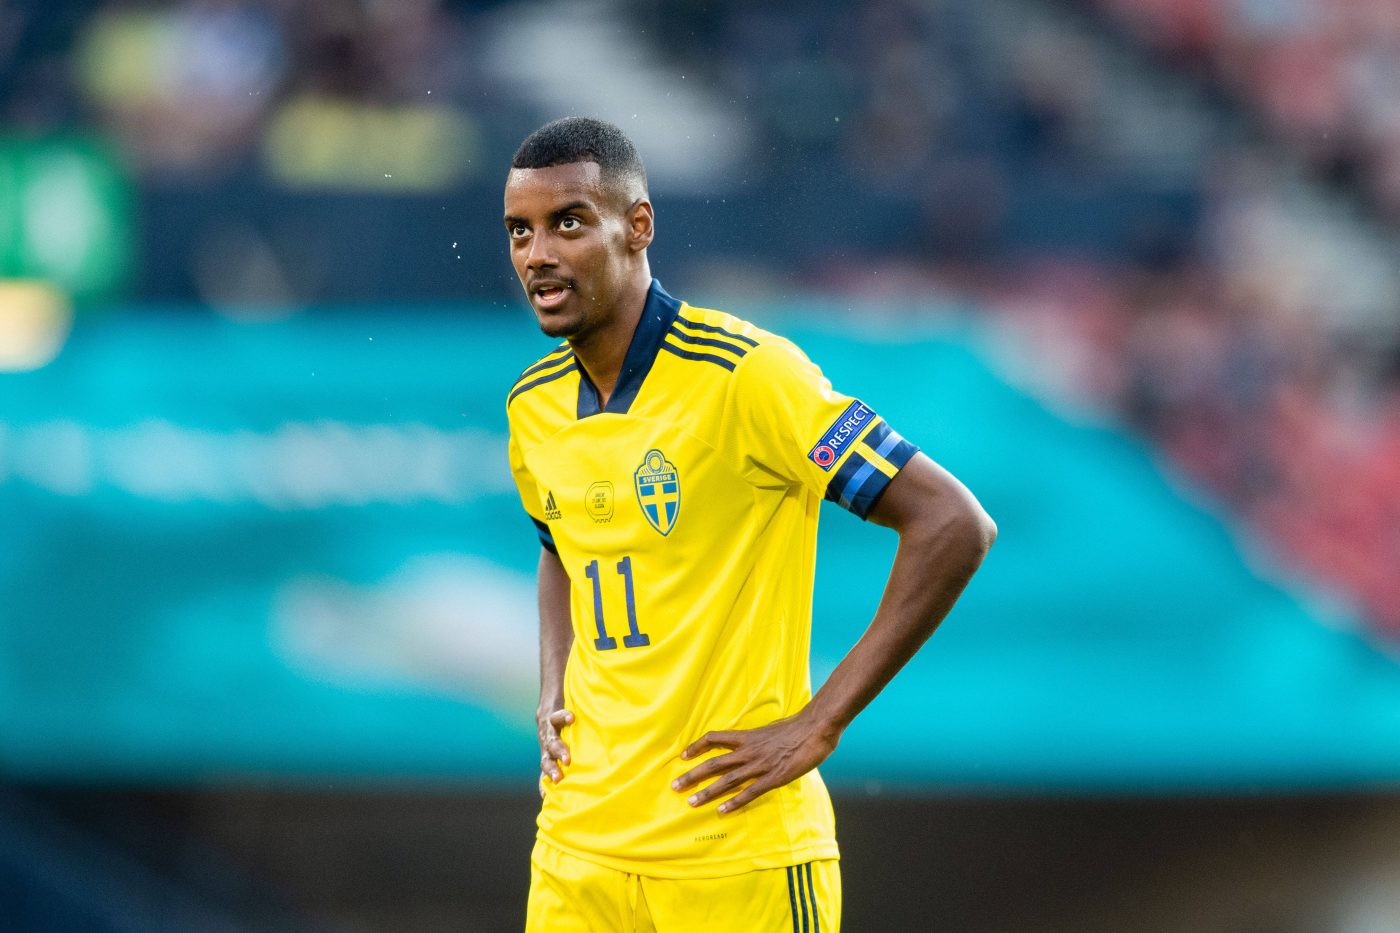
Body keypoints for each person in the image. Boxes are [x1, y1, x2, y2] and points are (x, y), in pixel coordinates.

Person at [503, 116, 996, 932]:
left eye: (570, 222)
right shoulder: (532, 404)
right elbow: (560, 549)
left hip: (736, 853)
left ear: (638, 225)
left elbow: (952, 522)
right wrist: (553, 683)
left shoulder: (746, 374)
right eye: (521, 230)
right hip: (577, 849)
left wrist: (819, 723)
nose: (538, 253)